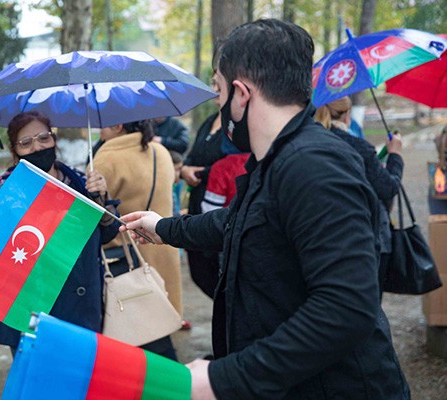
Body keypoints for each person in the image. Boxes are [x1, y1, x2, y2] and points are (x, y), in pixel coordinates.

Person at [121, 19, 409, 399]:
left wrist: (224, 378)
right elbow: (239, 222)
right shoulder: (277, 159)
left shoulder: (314, 165)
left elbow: (346, 307)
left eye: (219, 91)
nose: (218, 104)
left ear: (241, 94)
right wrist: (165, 228)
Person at [0, 111, 119, 355]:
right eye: (26, 143)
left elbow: (107, 233)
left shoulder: (80, 181)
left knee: (80, 370)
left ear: (54, 140)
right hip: (35, 298)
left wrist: (101, 200)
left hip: (82, 298)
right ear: (14, 151)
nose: (37, 146)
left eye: (43, 138)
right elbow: (3, 245)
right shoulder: (7, 188)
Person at [93, 119, 182, 360]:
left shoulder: (105, 159)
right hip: (163, 248)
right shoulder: (161, 151)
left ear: (118, 125)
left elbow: (97, 214)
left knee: (136, 336)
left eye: (103, 123)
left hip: (127, 257)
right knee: (159, 328)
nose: (99, 129)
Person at [315, 96, 404, 293]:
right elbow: (388, 187)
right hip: (363, 239)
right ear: (347, 116)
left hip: (322, 237)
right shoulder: (359, 148)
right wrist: (395, 155)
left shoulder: (310, 145)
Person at [180, 73, 230, 297]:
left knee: (217, 272)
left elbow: (234, 164)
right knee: (199, 272)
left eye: (218, 84)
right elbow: (192, 156)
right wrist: (184, 170)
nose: (214, 89)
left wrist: (201, 172)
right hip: (197, 204)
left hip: (220, 206)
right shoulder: (208, 122)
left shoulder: (236, 126)